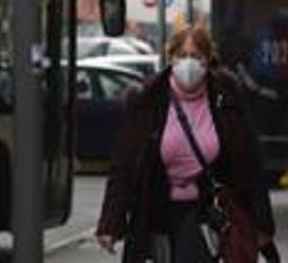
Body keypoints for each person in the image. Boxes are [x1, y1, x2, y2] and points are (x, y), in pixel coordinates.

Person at [96, 25, 277, 262]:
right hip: (157, 212)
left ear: (208, 60)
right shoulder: (148, 101)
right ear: (170, 57)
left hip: (208, 211)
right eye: (182, 56)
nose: (188, 64)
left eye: (196, 56)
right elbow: (124, 166)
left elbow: (249, 165)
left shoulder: (226, 99)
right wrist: (111, 223)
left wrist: (261, 223)